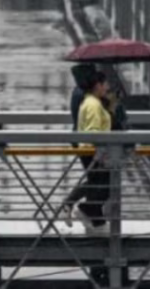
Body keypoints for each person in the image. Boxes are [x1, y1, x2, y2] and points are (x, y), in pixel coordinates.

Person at [74, 71, 112, 235]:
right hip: (93, 152)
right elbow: (94, 131)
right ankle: (87, 211)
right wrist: (101, 152)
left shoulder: (91, 102)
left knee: (100, 185)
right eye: (105, 84)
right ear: (98, 86)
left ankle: (97, 221)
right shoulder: (93, 105)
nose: (107, 87)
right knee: (104, 186)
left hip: (91, 151)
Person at [60, 63, 97, 227]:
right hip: (87, 142)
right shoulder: (84, 95)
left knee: (96, 177)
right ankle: (74, 204)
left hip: (81, 141)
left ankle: (89, 210)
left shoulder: (78, 92)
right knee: (98, 178)